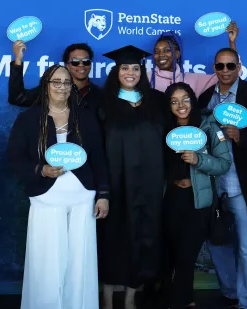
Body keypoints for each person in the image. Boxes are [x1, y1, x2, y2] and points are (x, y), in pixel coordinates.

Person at [9, 64, 109, 309]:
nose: (62, 87)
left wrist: (103, 195)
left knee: (80, 261)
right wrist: (40, 169)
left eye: (67, 83)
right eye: (56, 82)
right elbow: (16, 156)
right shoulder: (29, 118)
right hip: (46, 198)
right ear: (46, 86)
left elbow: (98, 157)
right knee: (48, 262)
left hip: (82, 198)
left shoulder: (84, 116)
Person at [199, 47, 247, 309]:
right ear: (214, 68)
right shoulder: (205, 99)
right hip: (213, 186)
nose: (225, 71)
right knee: (217, 242)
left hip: (243, 186)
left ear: (239, 67)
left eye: (230, 66)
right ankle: (231, 291)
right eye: (219, 66)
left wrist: (243, 137)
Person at [97, 45, 167, 309]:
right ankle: (106, 296)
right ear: (116, 71)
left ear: (142, 71)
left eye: (135, 68)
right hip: (114, 184)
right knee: (111, 237)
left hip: (148, 185)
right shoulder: (102, 102)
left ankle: (129, 297)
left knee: (142, 237)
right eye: (124, 67)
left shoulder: (156, 101)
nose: (130, 72)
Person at [162, 82, 232, 309]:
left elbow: (224, 164)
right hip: (171, 199)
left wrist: (199, 160)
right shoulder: (164, 127)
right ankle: (188, 299)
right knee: (172, 254)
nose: (180, 105)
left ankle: (177, 302)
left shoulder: (209, 126)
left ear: (193, 100)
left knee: (186, 255)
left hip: (197, 201)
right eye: (174, 101)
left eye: (185, 99)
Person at [8, 41, 103, 115]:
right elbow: (17, 98)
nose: (81, 65)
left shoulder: (101, 95)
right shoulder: (51, 90)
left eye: (86, 61)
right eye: (75, 62)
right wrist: (18, 61)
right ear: (67, 65)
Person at [150, 23, 239, 97]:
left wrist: (232, 43)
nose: (161, 55)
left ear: (177, 54)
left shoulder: (192, 79)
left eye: (167, 50)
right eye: (156, 51)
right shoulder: (147, 78)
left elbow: (229, 75)